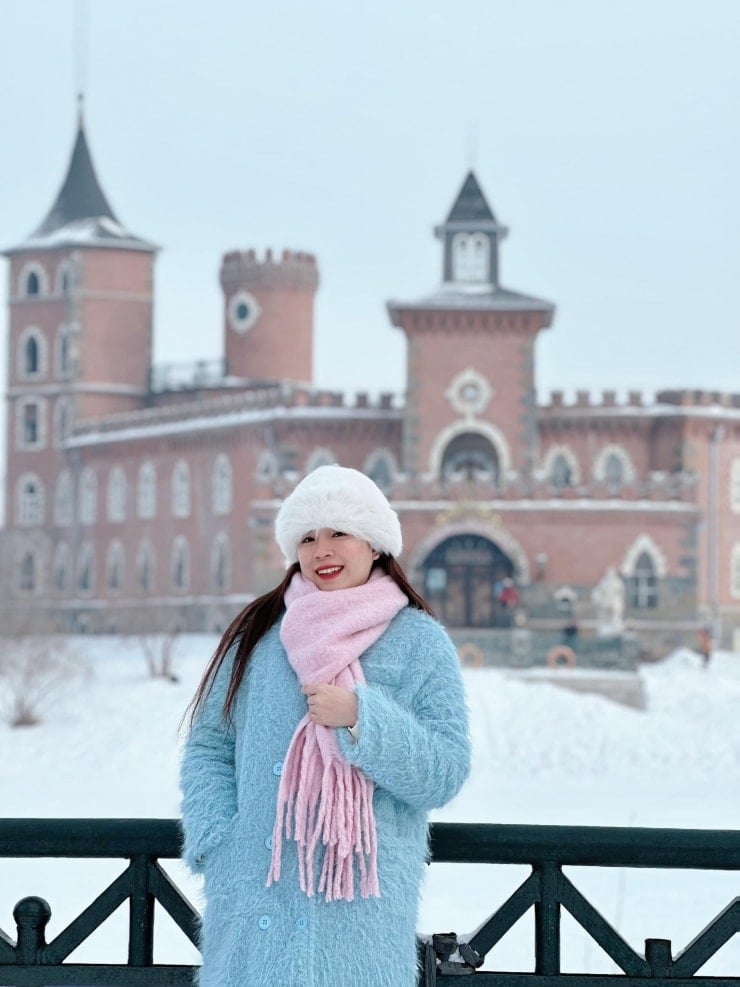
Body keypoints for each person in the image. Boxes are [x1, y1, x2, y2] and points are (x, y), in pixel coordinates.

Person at [180, 465, 471, 987]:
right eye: (308, 538)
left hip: (357, 917)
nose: (322, 551)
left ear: (375, 544)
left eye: (339, 533)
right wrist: (220, 846)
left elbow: (445, 771)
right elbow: (209, 746)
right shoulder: (261, 635)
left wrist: (363, 718)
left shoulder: (420, 643)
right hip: (254, 902)